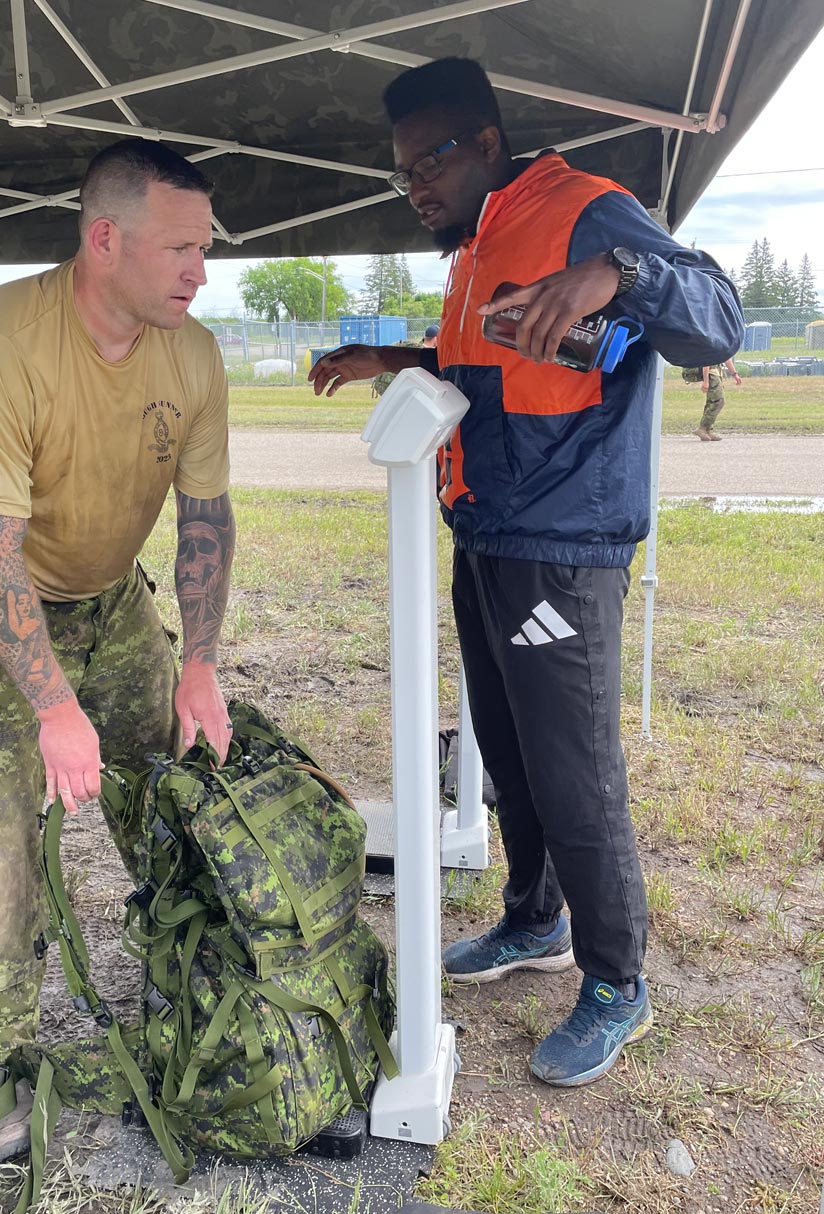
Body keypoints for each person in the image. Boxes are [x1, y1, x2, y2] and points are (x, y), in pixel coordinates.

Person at [310, 57, 743, 1087]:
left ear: (488, 143)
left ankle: (614, 980)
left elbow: (714, 314)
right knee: (505, 754)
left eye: (431, 160)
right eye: (404, 170)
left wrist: (619, 273)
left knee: (574, 772)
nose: (416, 183)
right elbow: (486, 370)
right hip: (485, 536)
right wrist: (393, 358)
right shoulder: (474, 249)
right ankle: (532, 919)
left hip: (566, 546)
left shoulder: (589, 212)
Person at [0, 138, 235, 1162]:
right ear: (107, 239)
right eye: (181, 247)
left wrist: (199, 659)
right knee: (0, 839)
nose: (200, 269)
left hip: (111, 601)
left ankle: (193, 983)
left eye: (205, 248)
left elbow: (204, 520)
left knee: (175, 788)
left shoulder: (192, 354)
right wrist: (55, 707)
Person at [371, 323, 439, 397]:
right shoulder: (426, 355)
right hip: (397, 386)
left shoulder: (413, 348)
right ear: (435, 338)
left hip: (385, 383)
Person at [696, 356, 742, 440]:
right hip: (711, 374)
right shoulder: (713, 343)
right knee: (718, 401)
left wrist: (735, 374)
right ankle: (703, 428)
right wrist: (706, 381)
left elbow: (726, 357)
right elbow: (706, 361)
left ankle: (708, 430)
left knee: (711, 402)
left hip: (716, 374)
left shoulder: (721, 345)